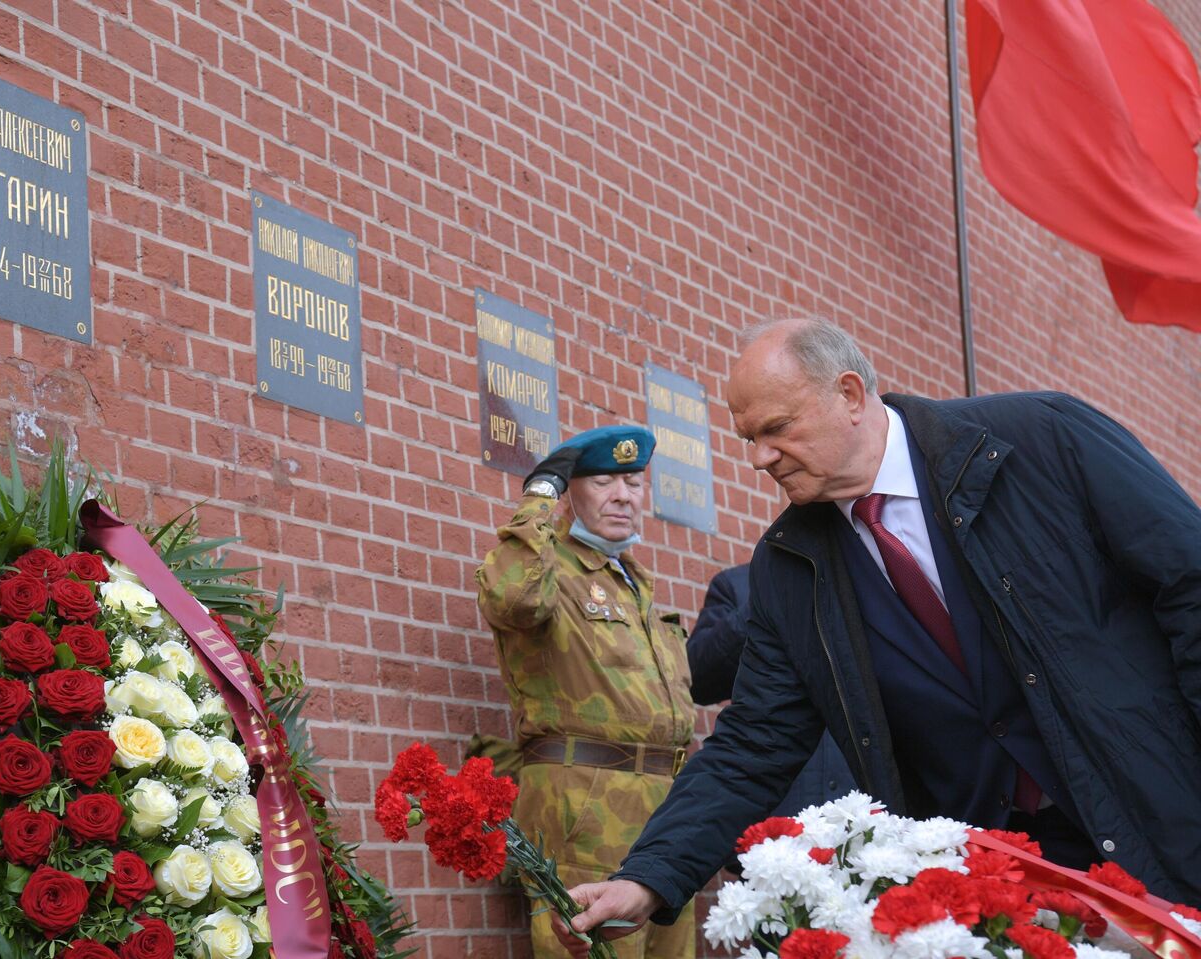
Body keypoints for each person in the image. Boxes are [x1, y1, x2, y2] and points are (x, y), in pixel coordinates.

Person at [553, 318, 1201, 955]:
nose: (759, 458)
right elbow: (755, 742)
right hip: (989, 894)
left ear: (851, 396)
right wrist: (647, 874)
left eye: (777, 428)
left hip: (1157, 825)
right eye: (749, 437)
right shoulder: (790, 567)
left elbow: (1190, 582)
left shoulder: (1042, 441)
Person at [476, 425, 696, 959]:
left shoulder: (634, 581)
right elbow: (511, 599)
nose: (624, 495)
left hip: (665, 810)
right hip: (587, 806)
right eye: (602, 482)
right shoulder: (550, 570)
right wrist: (538, 500)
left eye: (635, 483)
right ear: (571, 492)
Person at [688, 562, 854, 826]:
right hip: (775, 812)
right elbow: (698, 679)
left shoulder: (873, 581)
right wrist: (766, 601)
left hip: (863, 816)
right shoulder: (737, 585)